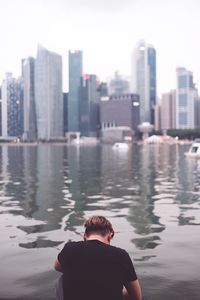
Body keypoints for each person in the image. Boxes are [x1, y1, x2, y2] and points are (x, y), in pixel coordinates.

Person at [54, 215, 142, 300]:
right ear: (110, 235)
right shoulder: (121, 255)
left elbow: (57, 266)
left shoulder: (70, 248)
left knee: (61, 280)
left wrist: (82, 272)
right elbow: (137, 297)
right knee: (129, 287)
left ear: (84, 236)